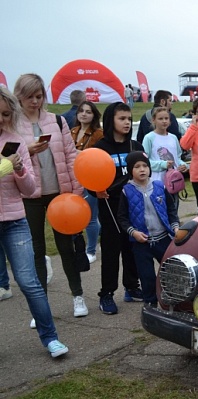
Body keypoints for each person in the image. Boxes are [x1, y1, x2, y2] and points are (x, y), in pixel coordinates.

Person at [0, 86, 69, 357]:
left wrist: (17, 168)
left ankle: (51, 338)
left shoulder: (15, 140)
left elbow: (30, 190)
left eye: (6, 114)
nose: (2, 120)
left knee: (29, 282)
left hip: (15, 221)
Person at [13, 73, 88, 319]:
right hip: (29, 194)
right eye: (29, 97)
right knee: (36, 250)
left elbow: (70, 155)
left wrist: (76, 190)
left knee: (66, 247)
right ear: (19, 97)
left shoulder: (57, 121)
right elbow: (7, 158)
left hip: (60, 193)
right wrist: (28, 150)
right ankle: (40, 307)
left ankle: (77, 296)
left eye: (39, 96)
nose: (35, 101)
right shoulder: (12, 124)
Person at [92, 102, 144, 314]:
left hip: (133, 205)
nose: (127, 122)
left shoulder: (135, 146)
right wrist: (94, 189)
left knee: (132, 247)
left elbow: (144, 172)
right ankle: (106, 294)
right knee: (112, 251)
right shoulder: (100, 148)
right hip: (110, 205)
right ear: (111, 120)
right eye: (122, 118)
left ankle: (131, 287)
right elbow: (89, 173)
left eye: (129, 119)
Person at [117, 151, 179, 306]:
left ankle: (176, 302)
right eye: (137, 167)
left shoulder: (159, 187)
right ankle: (150, 305)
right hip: (141, 244)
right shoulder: (126, 191)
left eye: (145, 166)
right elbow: (122, 218)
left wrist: (175, 227)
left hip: (163, 239)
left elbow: (171, 210)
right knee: (147, 277)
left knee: (170, 272)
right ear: (130, 170)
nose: (142, 169)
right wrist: (134, 233)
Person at [70, 100, 103, 263]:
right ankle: (103, 237)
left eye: (88, 111)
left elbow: (99, 156)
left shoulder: (98, 134)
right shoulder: (72, 131)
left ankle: (91, 251)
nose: (84, 114)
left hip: (91, 179)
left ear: (94, 115)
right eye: (81, 111)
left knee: (90, 216)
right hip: (74, 178)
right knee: (82, 216)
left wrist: (81, 154)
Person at [142, 107, 188, 211]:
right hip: (157, 182)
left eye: (166, 118)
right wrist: (162, 164)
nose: (164, 121)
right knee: (160, 211)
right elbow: (145, 161)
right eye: (160, 118)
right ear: (153, 120)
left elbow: (177, 158)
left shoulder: (173, 137)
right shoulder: (149, 138)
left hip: (173, 182)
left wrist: (183, 166)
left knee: (173, 210)